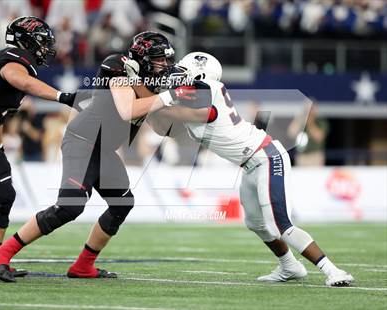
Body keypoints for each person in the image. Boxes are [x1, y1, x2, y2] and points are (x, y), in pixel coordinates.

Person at [0, 31, 190, 282]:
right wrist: (169, 96)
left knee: (122, 203)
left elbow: (160, 126)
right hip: (83, 141)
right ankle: (1, 253)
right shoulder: (119, 65)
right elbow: (127, 110)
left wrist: (186, 111)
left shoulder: (152, 83)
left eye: (167, 60)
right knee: (69, 207)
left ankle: (83, 266)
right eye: (159, 59)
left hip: (103, 149)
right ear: (142, 57)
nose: (165, 65)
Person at [144, 52, 354, 287]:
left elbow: (176, 111)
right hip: (250, 164)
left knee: (279, 225)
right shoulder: (193, 97)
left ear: (201, 76)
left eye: (184, 73)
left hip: (266, 157)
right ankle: (289, 265)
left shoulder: (207, 92)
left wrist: (147, 99)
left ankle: (333, 270)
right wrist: (148, 104)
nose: (177, 77)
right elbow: (163, 126)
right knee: (255, 222)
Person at [0, 16, 77, 277]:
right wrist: (62, 96)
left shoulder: (20, 66)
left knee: (4, 195)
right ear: (26, 41)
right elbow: (20, 80)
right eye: (42, 42)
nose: (46, 48)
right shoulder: (11, 57)